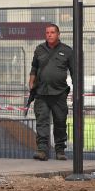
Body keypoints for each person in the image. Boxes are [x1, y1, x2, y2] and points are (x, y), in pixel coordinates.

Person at [28, 24, 75, 161]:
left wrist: (77, 90)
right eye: (47, 32)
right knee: (42, 122)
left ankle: (60, 151)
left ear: (58, 34)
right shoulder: (39, 49)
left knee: (60, 122)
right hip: (41, 93)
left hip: (59, 93)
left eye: (52, 32)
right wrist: (31, 82)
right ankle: (42, 150)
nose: (49, 35)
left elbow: (74, 72)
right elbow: (34, 68)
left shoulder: (67, 51)